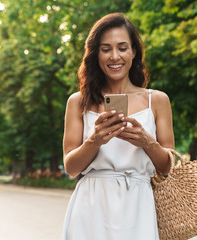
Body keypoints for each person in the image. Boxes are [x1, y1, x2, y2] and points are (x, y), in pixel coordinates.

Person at [62, 12, 174, 240]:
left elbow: (167, 167)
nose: (115, 56)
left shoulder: (157, 100)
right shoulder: (78, 102)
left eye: (122, 48)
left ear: (134, 52)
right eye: (106, 49)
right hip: (91, 206)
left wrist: (147, 142)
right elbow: (71, 167)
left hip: (138, 206)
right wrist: (95, 140)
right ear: (96, 54)